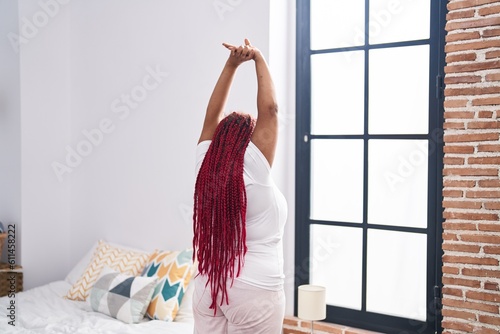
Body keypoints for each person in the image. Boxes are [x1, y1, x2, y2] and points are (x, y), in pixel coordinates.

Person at [192, 38, 287, 334]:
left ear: (218, 138)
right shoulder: (253, 165)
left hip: (208, 283)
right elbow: (270, 109)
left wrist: (232, 65)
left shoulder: (205, 163)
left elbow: (211, 116)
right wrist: (258, 58)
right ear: (249, 139)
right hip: (255, 289)